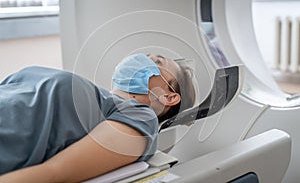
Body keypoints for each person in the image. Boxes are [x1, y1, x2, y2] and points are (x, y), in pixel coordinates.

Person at [0, 53, 195, 182]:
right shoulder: (99, 96)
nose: (144, 58)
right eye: (147, 56)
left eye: (158, 61)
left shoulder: (140, 117)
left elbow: (55, 173)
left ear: (169, 97)